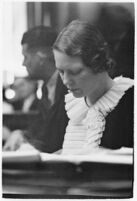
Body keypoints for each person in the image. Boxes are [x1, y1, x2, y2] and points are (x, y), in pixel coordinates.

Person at [53, 20, 134, 155]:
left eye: (75, 72)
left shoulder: (131, 101)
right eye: (61, 72)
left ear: (98, 64)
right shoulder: (66, 106)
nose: (66, 81)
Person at [3, 26, 68, 152]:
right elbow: (41, 129)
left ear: (41, 56)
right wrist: (21, 134)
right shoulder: (46, 88)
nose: (23, 63)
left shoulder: (71, 85)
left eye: (26, 56)